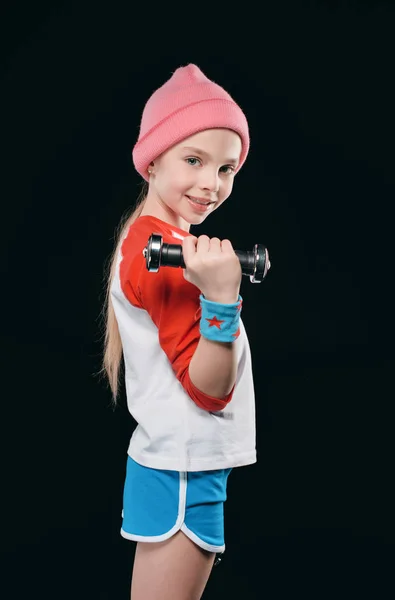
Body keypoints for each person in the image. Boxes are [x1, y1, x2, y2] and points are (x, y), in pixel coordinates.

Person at [101, 64, 270, 600]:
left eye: (226, 167)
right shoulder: (161, 259)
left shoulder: (158, 237)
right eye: (193, 161)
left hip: (183, 462)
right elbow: (209, 390)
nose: (211, 183)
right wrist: (222, 298)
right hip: (183, 469)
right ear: (151, 162)